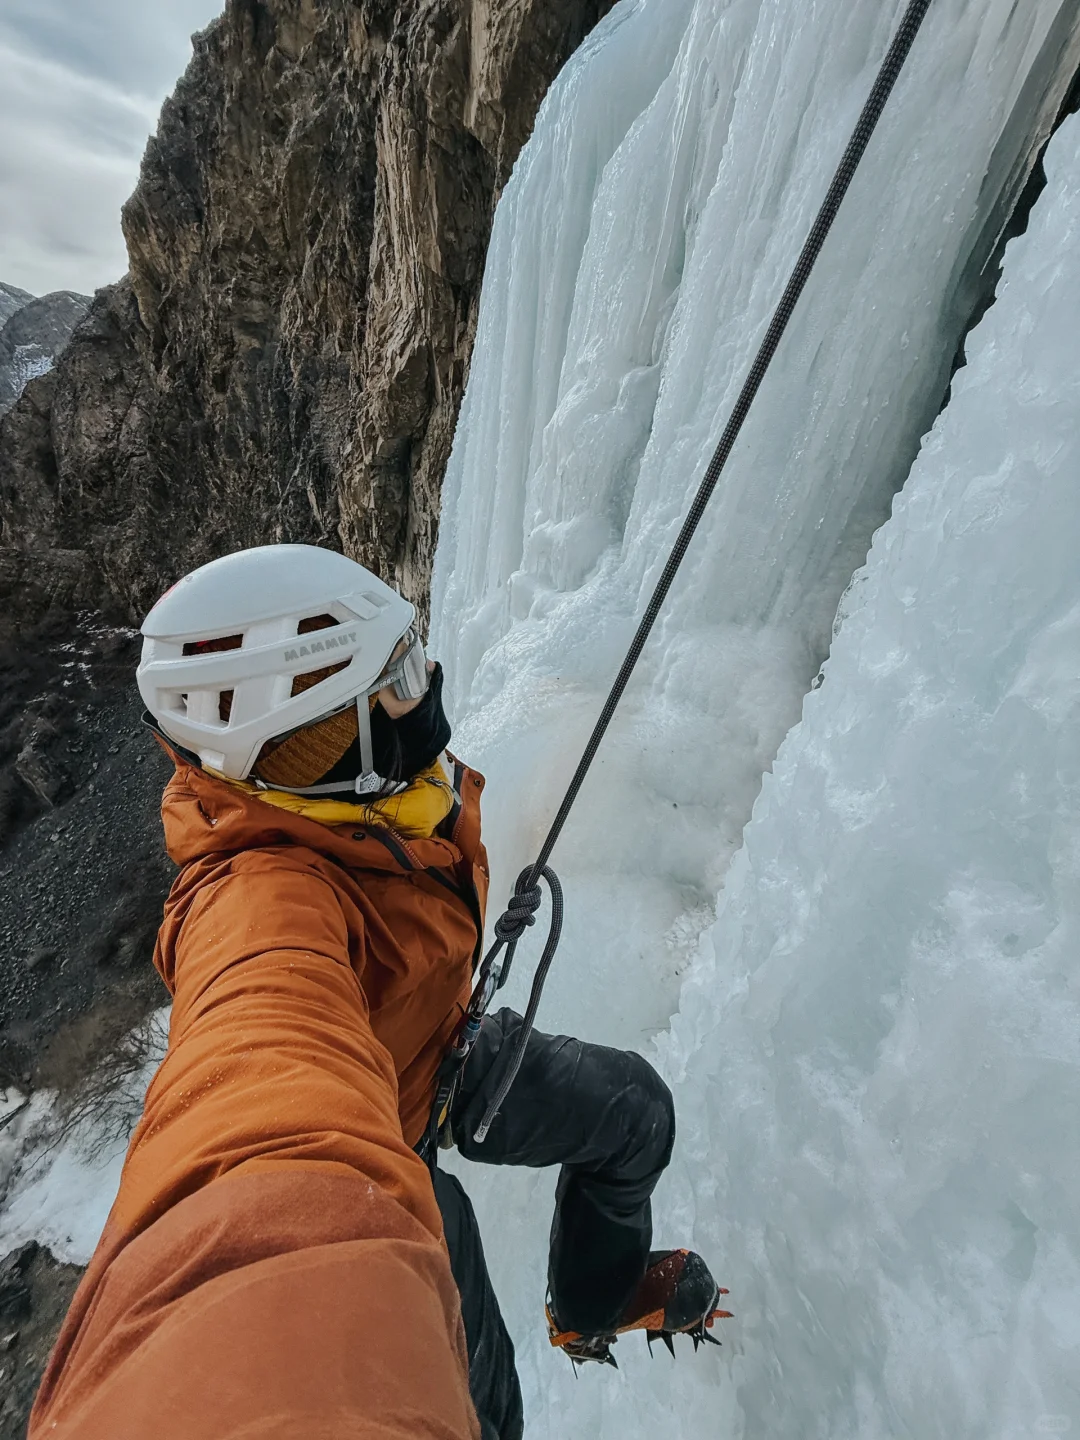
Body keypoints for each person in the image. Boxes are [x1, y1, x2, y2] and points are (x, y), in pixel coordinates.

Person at [29, 545, 727, 1440]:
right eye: (394, 679)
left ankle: (597, 1298)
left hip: (431, 1053)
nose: (424, 687)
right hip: (371, 1140)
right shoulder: (258, 900)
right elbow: (255, 1071)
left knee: (634, 1112)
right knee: (478, 1384)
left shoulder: (363, 797)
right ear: (320, 739)